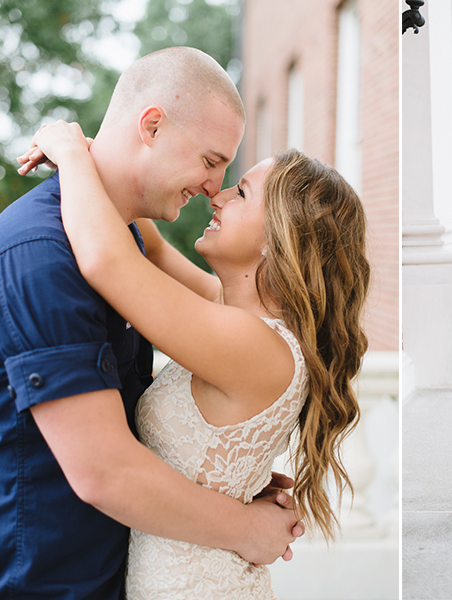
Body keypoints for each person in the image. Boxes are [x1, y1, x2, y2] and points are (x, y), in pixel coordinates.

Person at [20, 120, 370, 597]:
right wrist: (105, 153)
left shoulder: (252, 345)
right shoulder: (231, 314)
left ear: (278, 238)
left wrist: (71, 152)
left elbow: (109, 260)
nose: (218, 196)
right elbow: (154, 247)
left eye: (241, 193)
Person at [0, 47, 302, 599]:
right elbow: (104, 471)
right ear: (153, 125)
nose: (216, 187)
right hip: (48, 582)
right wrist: (242, 525)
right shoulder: (42, 254)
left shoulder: (130, 245)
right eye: (212, 161)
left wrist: (230, 479)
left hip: (126, 573)